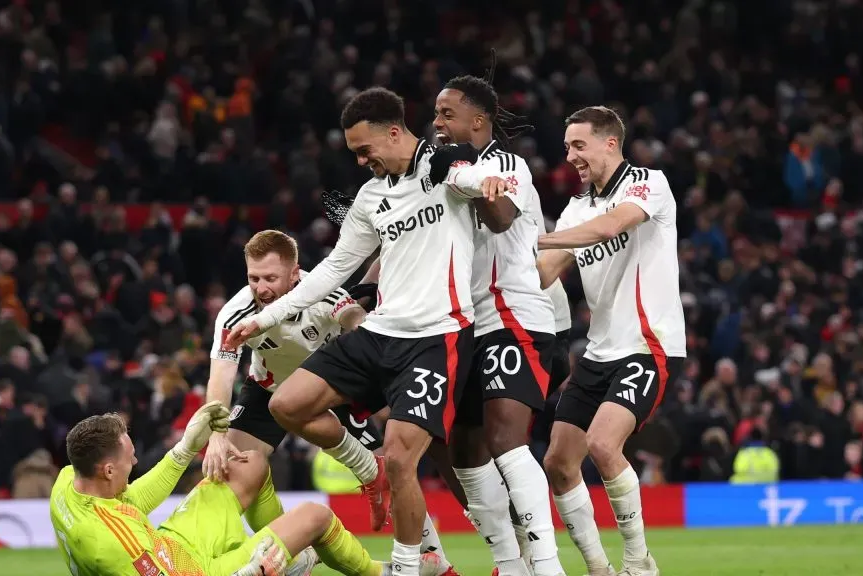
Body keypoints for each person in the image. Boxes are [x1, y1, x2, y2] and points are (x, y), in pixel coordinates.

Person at [224, 86, 512, 576]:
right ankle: (366, 467)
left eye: (364, 149)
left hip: (435, 337)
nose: (360, 160)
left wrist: (488, 180)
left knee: (403, 458)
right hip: (380, 333)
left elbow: (473, 175)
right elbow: (334, 268)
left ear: (394, 132)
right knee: (286, 404)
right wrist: (264, 318)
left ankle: (407, 566)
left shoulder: (442, 167)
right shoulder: (371, 196)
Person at [204, 228, 458, 574]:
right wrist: (217, 435)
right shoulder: (237, 312)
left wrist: (366, 330)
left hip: (334, 387)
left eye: (270, 278)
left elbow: (354, 317)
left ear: (295, 274)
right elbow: (220, 376)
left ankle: (440, 565)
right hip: (268, 390)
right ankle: (293, 554)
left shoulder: (321, 294)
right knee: (237, 467)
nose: (261, 288)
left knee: (397, 471)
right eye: (254, 278)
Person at [536, 106, 687, 576]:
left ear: (610, 143)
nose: (570, 156)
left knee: (603, 445)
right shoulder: (576, 209)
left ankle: (640, 563)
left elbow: (610, 226)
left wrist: (537, 238)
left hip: (647, 344)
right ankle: (599, 569)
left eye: (578, 145)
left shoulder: (648, 183)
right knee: (558, 463)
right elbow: (542, 275)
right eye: (566, 147)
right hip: (598, 353)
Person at [429, 75, 566, 576]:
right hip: (464, 325)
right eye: (436, 114)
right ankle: (511, 565)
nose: (437, 123)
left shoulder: (506, 164)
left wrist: (458, 168)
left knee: (507, 439)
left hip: (512, 316)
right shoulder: (440, 174)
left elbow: (503, 215)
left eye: (447, 114)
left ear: (478, 121)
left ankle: (547, 566)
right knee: (462, 449)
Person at [50, 402, 403, 576]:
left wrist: (185, 447)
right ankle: (380, 573)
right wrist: (250, 572)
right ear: (108, 469)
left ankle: (289, 557)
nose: (136, 460)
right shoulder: (111, 544)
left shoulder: (70, 479)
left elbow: (133, 501)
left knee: (248, 466)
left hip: (172, 546)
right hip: (194, 573)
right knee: (315, 516)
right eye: (130, 458)